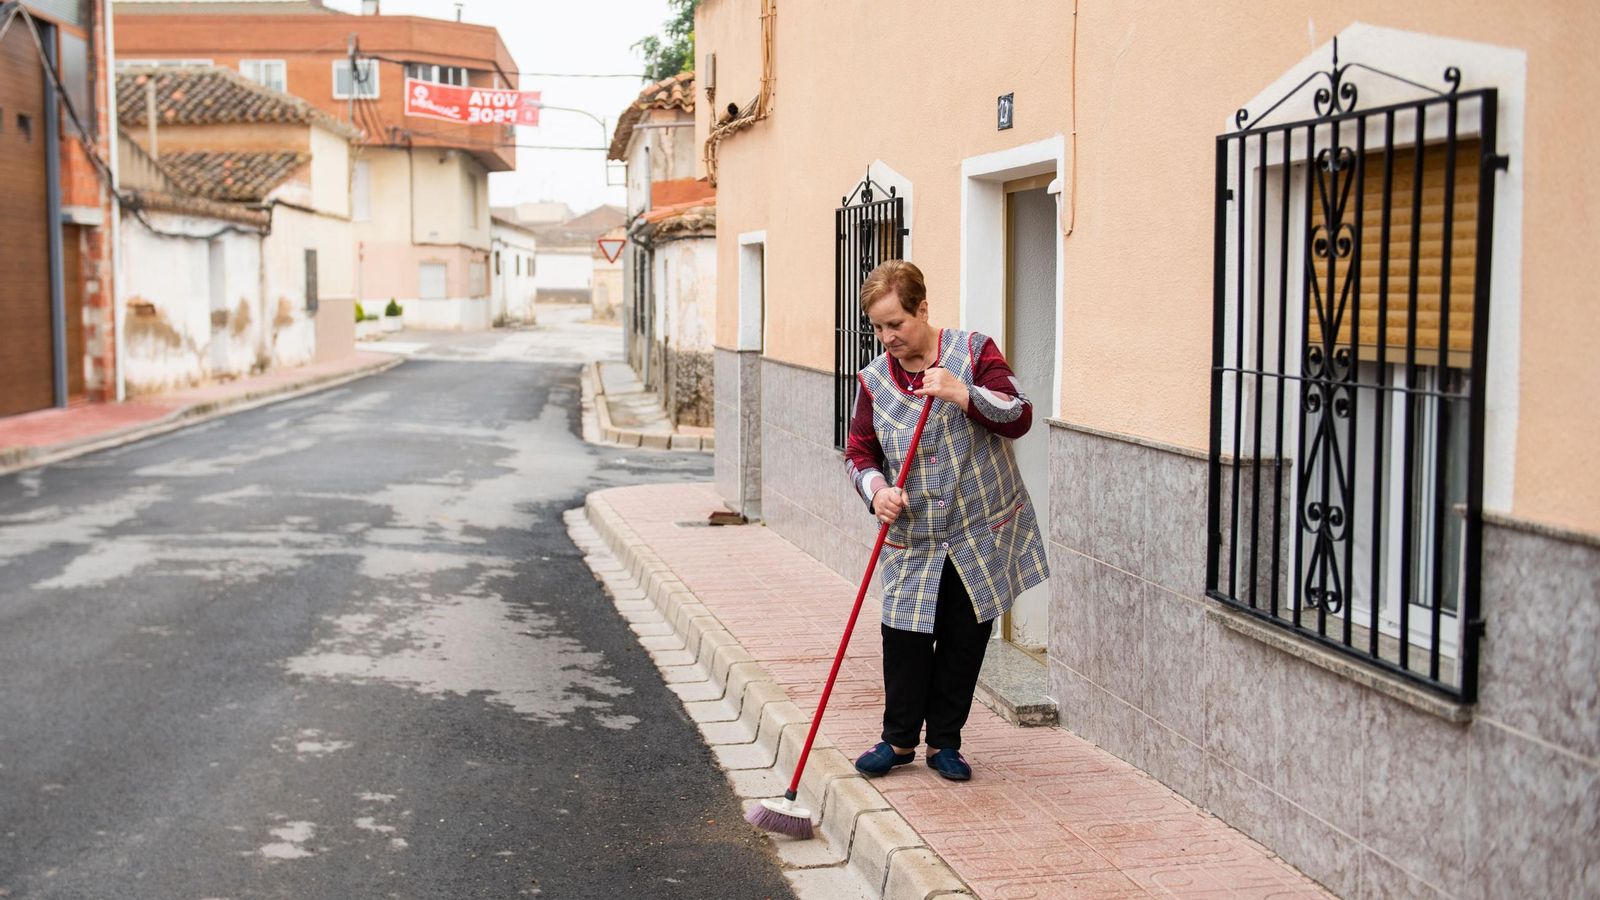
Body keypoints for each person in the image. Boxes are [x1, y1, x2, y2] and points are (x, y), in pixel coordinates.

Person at [843, 259, 1049, 782]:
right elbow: (859, 454)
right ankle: (898, 741)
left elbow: (1019, 415)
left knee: (964, 637)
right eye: (878, 327)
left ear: (923, 309)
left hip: (980, 529)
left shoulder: (975, 353)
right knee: (904, 638)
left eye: (897, 323)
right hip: (914, 537)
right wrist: (878, 492)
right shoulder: (873, 383)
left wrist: (961, 392)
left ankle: (945, 744)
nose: (887, 336)